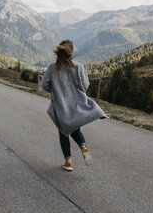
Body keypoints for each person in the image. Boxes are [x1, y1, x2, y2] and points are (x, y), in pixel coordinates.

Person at [41, 40, 107, 171]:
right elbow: (85, 85)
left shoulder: (52, 68)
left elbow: (45, 85)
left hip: (60, 103)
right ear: (71, 53)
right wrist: (76, 91)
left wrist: (55, 90)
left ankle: (68, 162)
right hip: (76, 103)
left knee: (63, 130)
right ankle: (83, 145)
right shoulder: (79, 67)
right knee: (75, 126)